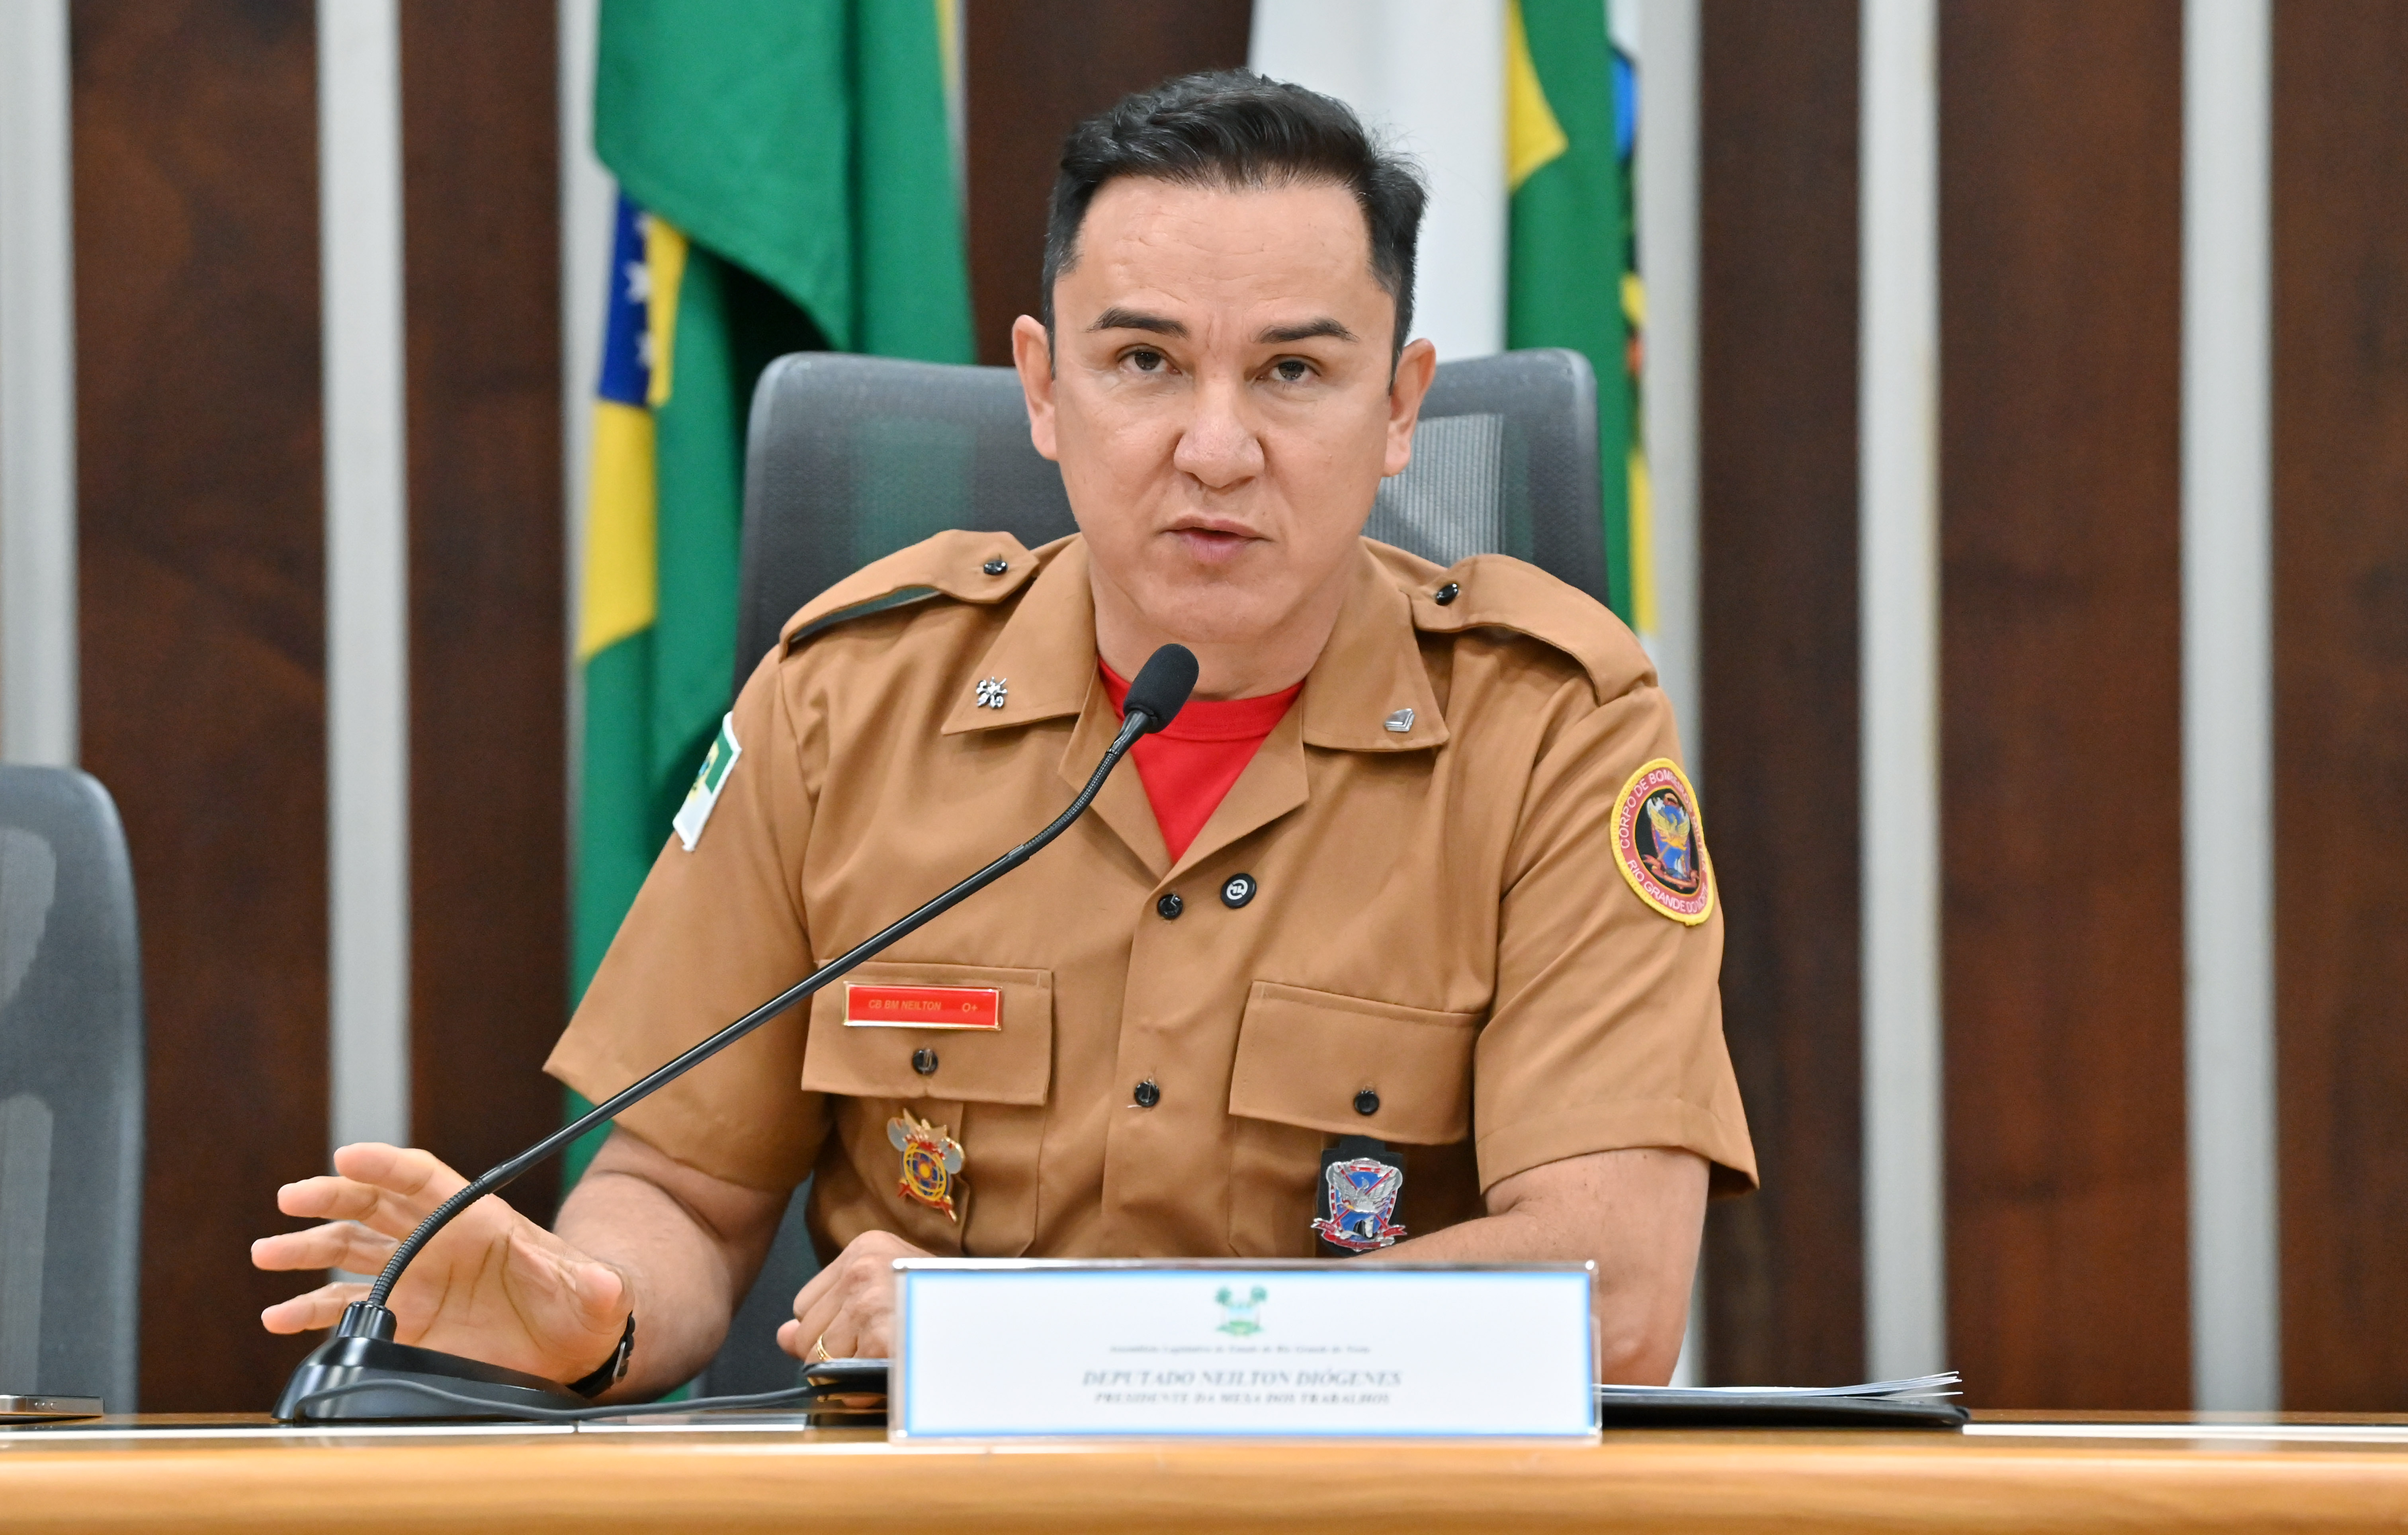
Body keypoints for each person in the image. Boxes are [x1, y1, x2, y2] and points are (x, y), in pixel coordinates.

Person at [254, 70, 1755, 1396]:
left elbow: (1609, 1302)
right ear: (1044, 388)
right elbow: (681, 1195)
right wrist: (594, 1310)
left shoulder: (1556, 728)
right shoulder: (849, 699)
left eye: (1293, 372)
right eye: (1144, 363)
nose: (1215, 448)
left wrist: (1039, 1334)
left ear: (1401, 407)